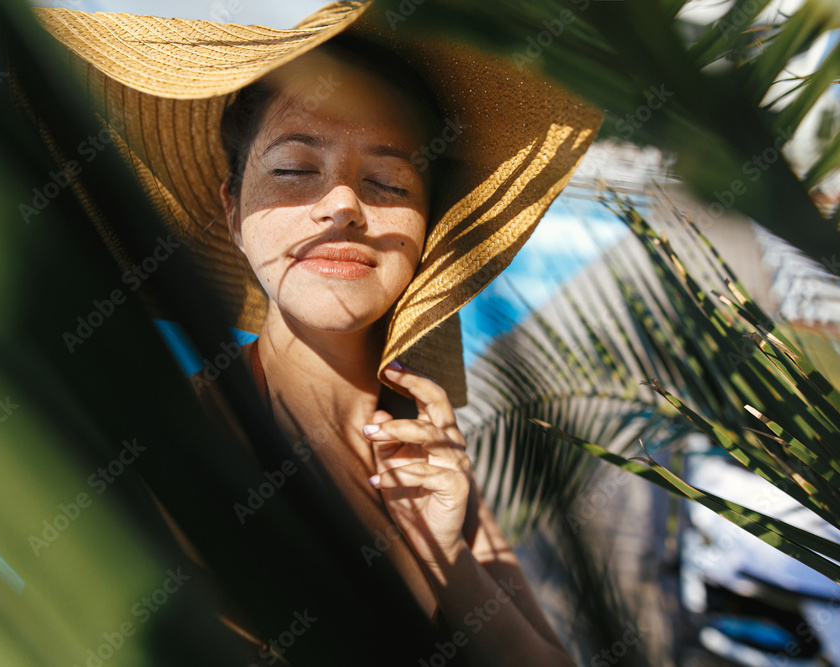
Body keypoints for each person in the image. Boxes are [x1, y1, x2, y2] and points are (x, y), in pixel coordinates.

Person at [31, 1, 601, 664]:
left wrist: (450, 558)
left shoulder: (430, 460)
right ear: (233, 209)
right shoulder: (174, 437)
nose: (341, 205)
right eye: (297, 170)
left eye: (388, 180)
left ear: (425, 231)